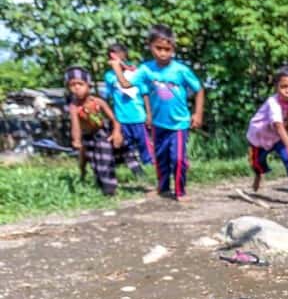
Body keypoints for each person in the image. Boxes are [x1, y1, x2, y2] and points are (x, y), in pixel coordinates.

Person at [110, 24, 204, 202]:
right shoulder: (146, 69)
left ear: (173, 49)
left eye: (167, 49)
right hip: (158, 123)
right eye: (158, 48)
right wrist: (117, 68)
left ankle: (180, 191)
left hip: (179, 123)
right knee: (160, 157)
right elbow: (126, 85)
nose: (163, 53)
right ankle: (163, 187)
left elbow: (198, 89)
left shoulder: (181, 70)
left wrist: (197, 114)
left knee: (177, 159)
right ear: (150, 46)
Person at [247, 66, 288, 207]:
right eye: (283, 86)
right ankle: (258, 174)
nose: (287, 90)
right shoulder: (272, 102)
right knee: (256, 163)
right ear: (276, 87)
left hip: (278, 138)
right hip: (259, 137)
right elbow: (278, 125)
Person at [65, 66, 125, 196]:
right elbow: (75, 125)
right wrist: (76, 140)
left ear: (88, 85)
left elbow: (115, 119)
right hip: (87, 137)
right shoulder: (74, 107)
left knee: (106, 159)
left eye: (80, 84)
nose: (76, 87)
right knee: (94, 162)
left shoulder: (98, 102)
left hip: (101, 133)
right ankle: (99, 182)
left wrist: (116, 132)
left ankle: (110, 188)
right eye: (72, 85)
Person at [103, 43, 153, 177]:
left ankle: (154, 173)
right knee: (127, 149)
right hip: (122, 119)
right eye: (113, 55)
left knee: (146, 147)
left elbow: (143, 92)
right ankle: (138, 173)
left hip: (138, 117)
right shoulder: (109, 76)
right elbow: (110, 94)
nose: (115, 58)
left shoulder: (134, 73)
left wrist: (149, 114)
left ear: (124, 56)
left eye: (119, 54)